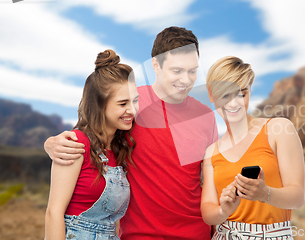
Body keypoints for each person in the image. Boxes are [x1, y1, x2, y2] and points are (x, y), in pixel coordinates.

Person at [44, 27, 218, 239]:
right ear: (156, 65)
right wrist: (51, 143)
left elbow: (210, 181)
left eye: (192, 71)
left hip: (196, 233)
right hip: (141, 235)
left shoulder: (206, 116)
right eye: (177, 71)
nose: (186, 79)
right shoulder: (131, 104)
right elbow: (93, 129)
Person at [201, 56, 305, 239]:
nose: (234, 103)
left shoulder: (278, 129)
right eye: (225, 94)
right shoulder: (211, 152)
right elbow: (208, 211)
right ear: (211, 95)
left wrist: (265, 193)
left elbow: (298, 197)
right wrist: (223, 211)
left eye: (242, 93)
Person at [45, 49, 139, 240]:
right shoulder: (76, 144)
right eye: (122, 104)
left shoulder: (120, 147)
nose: (132, 110)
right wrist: (48, 142)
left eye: (135, 101)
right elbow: (53, 213)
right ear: (100, 105)